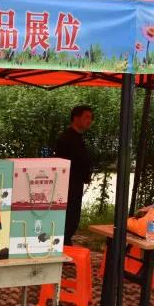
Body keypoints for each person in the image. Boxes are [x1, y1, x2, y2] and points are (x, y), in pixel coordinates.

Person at [55, 105, 94, 246]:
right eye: (86, 117)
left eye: (91, 118)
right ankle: (63, 244)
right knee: (68, 218)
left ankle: (66, 243)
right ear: (76, 118)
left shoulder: (78, 137)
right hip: (67, 185)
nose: (90, 120)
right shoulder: (65, 138)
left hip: (76, 184)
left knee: (73, 217)